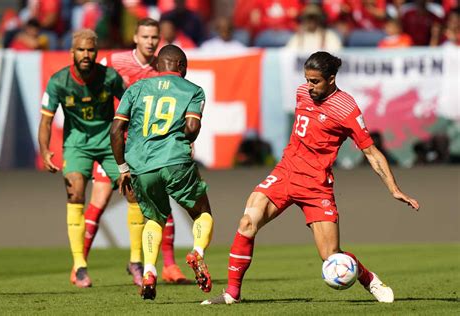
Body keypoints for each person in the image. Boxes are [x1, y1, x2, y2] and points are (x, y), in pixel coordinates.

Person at [202, 51, 420, 305]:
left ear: (331, 79)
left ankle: (369, 279)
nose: (309, 86)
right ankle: (232, 294)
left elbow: (371, 153)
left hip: (316, 185)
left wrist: (394, 189)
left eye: (315, 81)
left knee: (330, 256)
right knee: (247, 222)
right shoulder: (302, 93)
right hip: (285, 173)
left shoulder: (346, 108)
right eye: (307, 79)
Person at [84, 18, 191, 286]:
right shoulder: (115, 62)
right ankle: (79, 263)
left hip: (149, 146)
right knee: (99, 199)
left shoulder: (162, 69)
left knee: (161, 202)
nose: (150, 42)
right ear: (135, 38)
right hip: (116, 142)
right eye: (145, 37)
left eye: (154, 37)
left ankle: (169, 266)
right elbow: (94, 88)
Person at [111, 44, 214, 300]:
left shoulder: (135, 89)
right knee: (202, 213)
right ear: (181, 66)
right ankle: (197, 253)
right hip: (175, 161)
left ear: (158, 66)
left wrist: (123, 168)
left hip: (141, 166)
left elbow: (115, 131)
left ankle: (148, 271)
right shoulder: (192, 90)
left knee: (154, 219)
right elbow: (191, 128)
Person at [38, 29, 126, 288]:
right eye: (81, 50)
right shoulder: (58, 82)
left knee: (132, 192)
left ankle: (135, 261)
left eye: (91, 50)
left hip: (110, 143)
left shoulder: (110, 77)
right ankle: (79, 266)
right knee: (75, 193)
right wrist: (44, 150)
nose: (86, 55)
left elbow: (131, 103)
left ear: (96, 52)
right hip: (77, 145)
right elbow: (46, 120)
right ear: (72, 52)